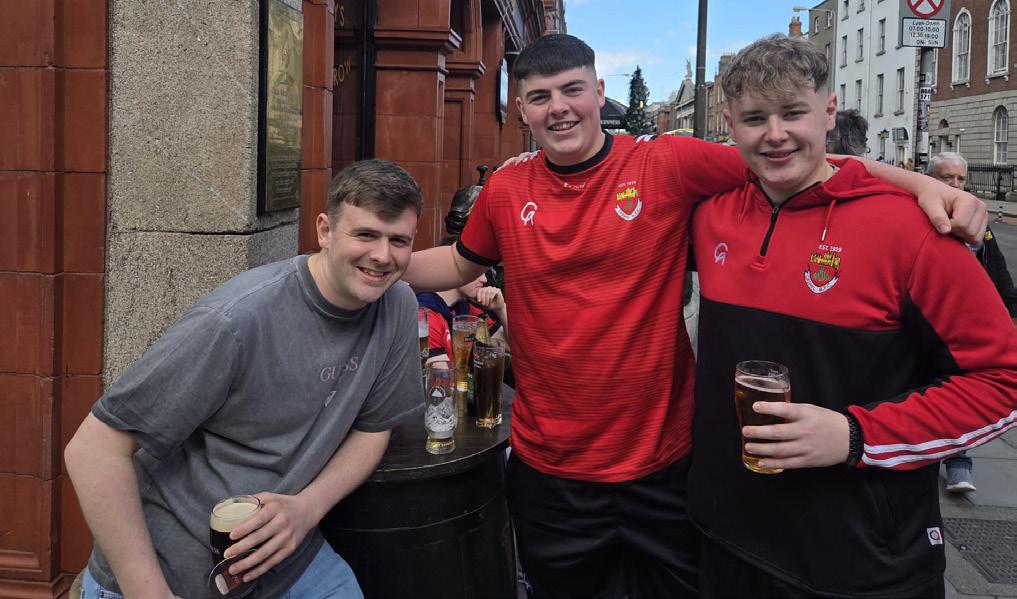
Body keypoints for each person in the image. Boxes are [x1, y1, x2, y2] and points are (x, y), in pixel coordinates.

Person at [403, 33, 988, 599]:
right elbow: (458, 262)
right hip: (550, 467)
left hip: (666, 465)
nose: (558, 108)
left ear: (599, 91)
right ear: (521, 108)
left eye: (572, 90)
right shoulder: (506, 187)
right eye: (539, 96)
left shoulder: (666, 161)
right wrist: (377, 264)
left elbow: (796, 157)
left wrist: (920, 185)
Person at [688, 34, 1017, 598]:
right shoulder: (710, 214)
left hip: (861, 563)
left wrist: (857, 436)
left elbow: (1002, 383)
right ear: (729, 123)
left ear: (829, 111)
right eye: (755, 118)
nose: (775, 134)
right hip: (724, 540)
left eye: (794, 113)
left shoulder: (913, 231)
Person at [64, 160, 426, 599]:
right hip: (171, 571)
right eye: (366, 234)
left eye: (398, 240)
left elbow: (373, 429)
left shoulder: (396, 306)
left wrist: (307, 507)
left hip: (287, 560)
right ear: (325, 231)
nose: (383, 255)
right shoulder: (236, 320)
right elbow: (93, 450)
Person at [926, 151, 1017, 493]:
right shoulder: (916, 213)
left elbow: (996, 268)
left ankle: (958, 462)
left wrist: (1010, 310)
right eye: (947, 177)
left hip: (961, 320)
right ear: (930, 178)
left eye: (960, 179)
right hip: (923, 315)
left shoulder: (974, 218)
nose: (955, 184)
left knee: (956, 386)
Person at [417, 236, 509, 362]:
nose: (484, 279)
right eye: (477, 271)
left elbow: (510, 345)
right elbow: (439, 372)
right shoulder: (426, 313)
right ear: (453, 270)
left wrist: (501, 308)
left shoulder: (466, 307)